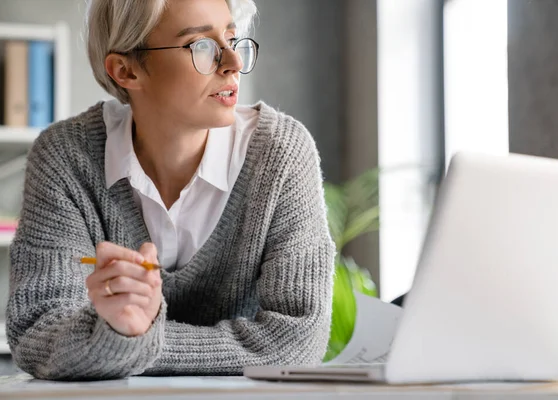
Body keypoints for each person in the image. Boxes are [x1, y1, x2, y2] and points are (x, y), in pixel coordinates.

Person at [6, 0, 335, 380]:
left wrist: (131, 340)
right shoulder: (66, 158)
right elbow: (37, 331)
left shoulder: (281, 154)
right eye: (201, 46)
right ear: (125, 70)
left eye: (231, 37)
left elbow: (297, 341)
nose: (234, 62)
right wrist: (121, 332)